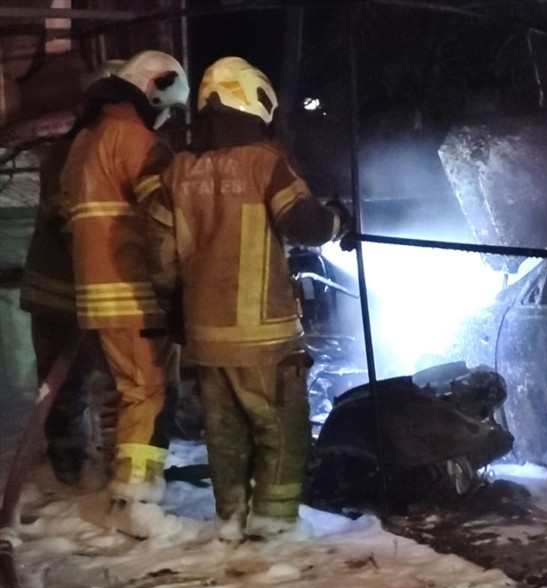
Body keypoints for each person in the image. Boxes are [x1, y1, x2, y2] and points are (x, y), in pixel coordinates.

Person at [139, 57, 345, 542]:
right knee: (280, 430)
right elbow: (306, 225)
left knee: (225, 434)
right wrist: (340, 219)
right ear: (252, 101)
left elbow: (161, 255)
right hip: (264, 335)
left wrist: (177, 313)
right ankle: (273, 530)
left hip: (206, 334)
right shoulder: (264, 161)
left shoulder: (179, 171)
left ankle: (230, 522)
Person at [59, 50, 189, 535]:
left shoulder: (83, 143)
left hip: (92, 295)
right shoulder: (137, 141)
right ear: (152, 88)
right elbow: (166, 219)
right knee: (148, 394)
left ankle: (120, 486)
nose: (165, 116)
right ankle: (135, 500)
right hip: (134, 290)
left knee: (123, 391)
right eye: (167, 105)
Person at [19, 60, 125, 488]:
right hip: (77, 290)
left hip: (52, 290)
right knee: (103, 384)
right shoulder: (94, 147)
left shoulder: (68, 146)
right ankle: (89, 474)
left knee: (62, 385)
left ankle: (69, 470)